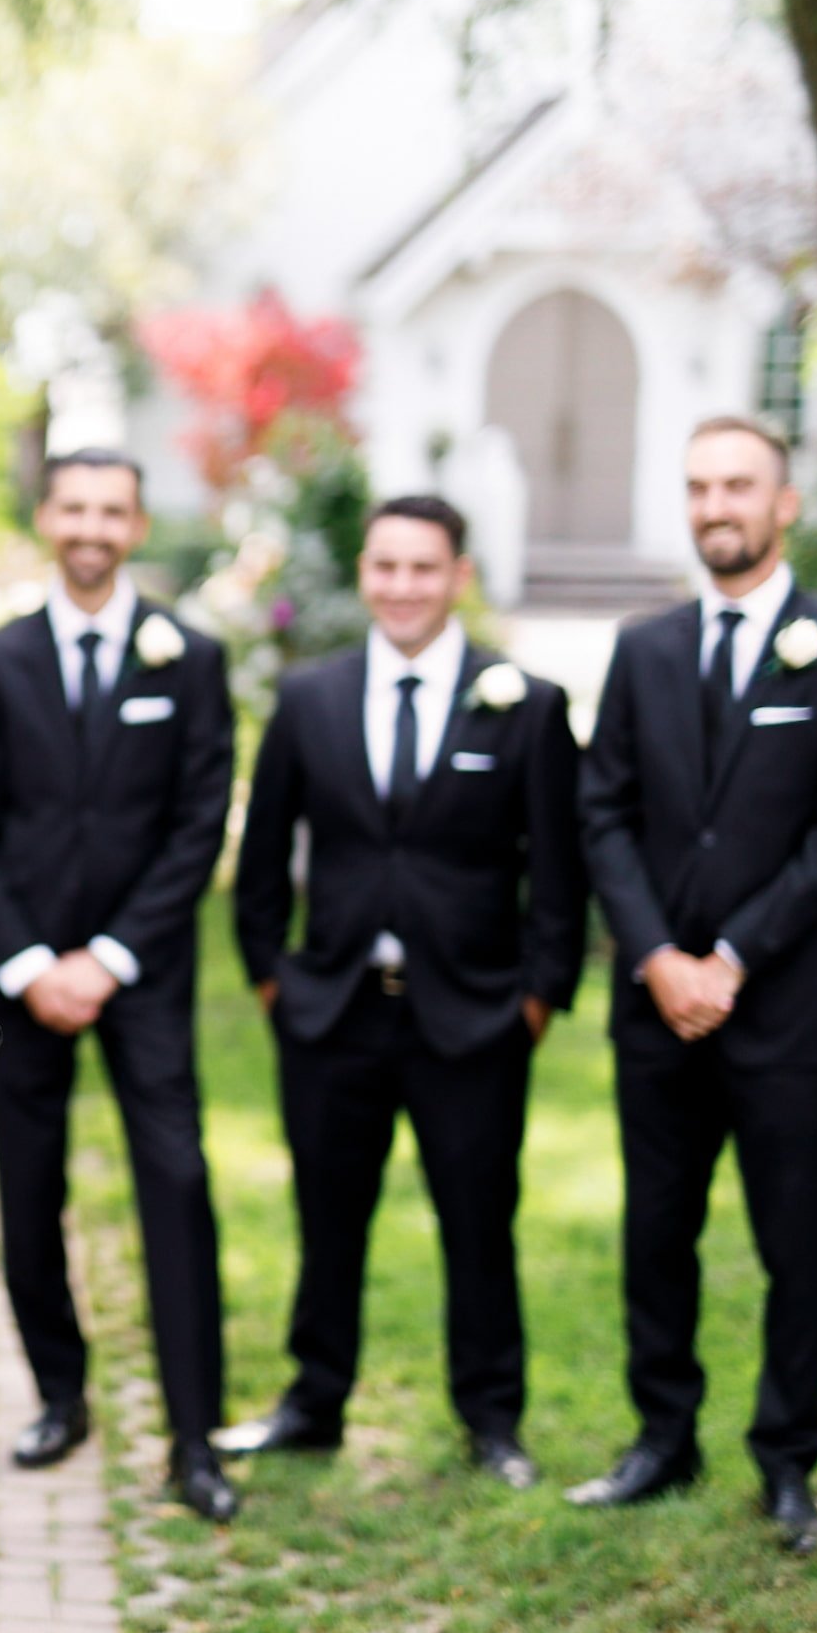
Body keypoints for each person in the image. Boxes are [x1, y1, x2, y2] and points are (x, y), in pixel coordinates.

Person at [569, 417, 817, 1553]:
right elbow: (600, 808)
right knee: (655, 1231)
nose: (716, 504)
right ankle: (662, 1436)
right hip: (656, 1006)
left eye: (738, 485)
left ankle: (788, 1459)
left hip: (786, 1013)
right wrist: (658, 954)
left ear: (785, 502)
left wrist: (733, 956)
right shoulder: (644, 646)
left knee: (791, 1241)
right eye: (699, 485)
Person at [226, 495, 586, 1488]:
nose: (401, 586)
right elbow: (261, 866)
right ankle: (312, 1399)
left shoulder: (527, 703)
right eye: (384, 566)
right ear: (363, 575)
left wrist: (536, 1000)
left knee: (478, 1221)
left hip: (473, 1016)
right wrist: (274, 982)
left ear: (457, 577)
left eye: (422, 568)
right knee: (325, 1215)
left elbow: (559, 876)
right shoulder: (310, 698)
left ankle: (490, 1417)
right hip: (332, 1009)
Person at [0, 450, 240, 1520]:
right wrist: (26, 961)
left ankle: (195, 1437)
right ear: (45, 518)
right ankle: (59, 1395)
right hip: (20, 981)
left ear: (137, 523)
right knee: (30, 1195)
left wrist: (111, 956)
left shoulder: (189, 657)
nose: (91, 525)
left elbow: (198, 819)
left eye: (111, 509)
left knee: (178, 1184)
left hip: (142, 975)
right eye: (74, 506)